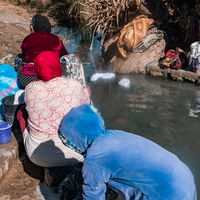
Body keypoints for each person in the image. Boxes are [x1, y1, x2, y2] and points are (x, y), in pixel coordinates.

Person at [58, 104, 197, 200]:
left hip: (166, 194)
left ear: (76, 137)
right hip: (185, 179)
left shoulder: (95, 158)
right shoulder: (114, 134)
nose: (68, 144)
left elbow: (92, 195)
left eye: (67, 140)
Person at [17, 51, 90, 168]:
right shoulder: (74, 85)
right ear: (58, 66)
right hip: (76, 155)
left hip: (37, 157)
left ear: (37, 68)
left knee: (21, 112)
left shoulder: (30, 88)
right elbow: (86, 107)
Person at [15, 14, 69, 88]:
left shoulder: (27, 39)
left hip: (27, 80)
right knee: (62, 61)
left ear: (36, 26)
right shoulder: (56, 39)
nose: (30, 26)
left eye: (31, 24)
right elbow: (65, 55)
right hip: (54, 78)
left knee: (18, 58)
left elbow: (25, 56)